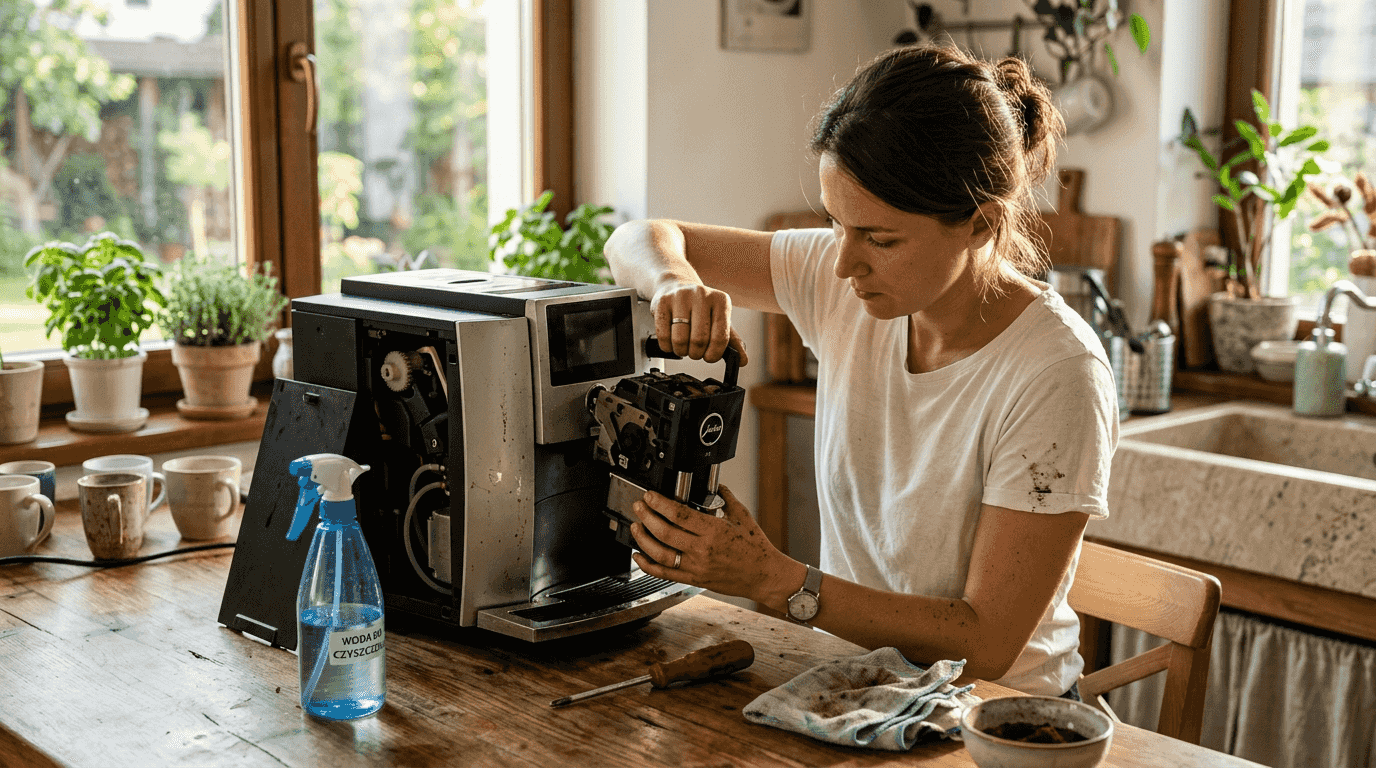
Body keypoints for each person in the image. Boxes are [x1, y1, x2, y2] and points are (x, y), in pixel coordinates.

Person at [603, 43, 1118, 697]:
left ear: (981, 226)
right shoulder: (839, 277)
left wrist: (772, 579)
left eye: (880, 238)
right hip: (847, 685)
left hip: (994, 718)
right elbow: (636, 238)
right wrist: (673, 280)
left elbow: (986, 643)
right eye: (836, 223)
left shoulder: (1055, 373)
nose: (845, 263)